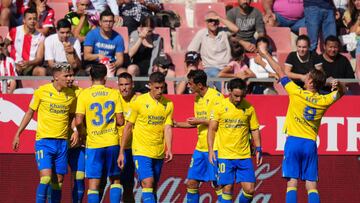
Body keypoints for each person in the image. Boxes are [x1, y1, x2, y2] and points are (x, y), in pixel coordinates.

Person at [258, 43, 346, 203]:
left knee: (292, 183)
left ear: (311, 82)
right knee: (311, 185)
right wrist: (338, 84)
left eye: (308, 77)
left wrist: (265, 54)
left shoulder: (296, 92)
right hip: (310, 144)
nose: (305, 77)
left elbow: (280, 70)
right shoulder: (324, 100)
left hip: (293, 142)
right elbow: (343, 91)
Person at [12, 63, 79, 203]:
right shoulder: (41, 91)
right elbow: (30, 113)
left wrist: (75, 130)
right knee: (46, 178)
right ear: (55, 77)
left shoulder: (71, 95)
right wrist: (18, 134)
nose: (69, 78)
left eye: (70, 75)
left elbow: (71, 117)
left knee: (59, 181)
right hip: (44, 142)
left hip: (62, 143)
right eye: (66, 76)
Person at [118, 72, 174, 203]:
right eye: (156, 88)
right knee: (147, 182)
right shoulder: (139, 102)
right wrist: (121, 152)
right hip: (141, 151)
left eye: (162, 88)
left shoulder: (169, 104)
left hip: (158, 152)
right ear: (150, 86)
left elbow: (167, 127)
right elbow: (128, 127)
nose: (160, 91)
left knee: (152, 188)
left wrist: (169, 148)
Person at [75, 63, 125, 203]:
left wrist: (82, 133)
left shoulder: (84, 94)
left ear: (91, 77)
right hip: (112, 142)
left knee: (93, 185)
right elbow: (120, 121)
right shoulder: (114, 93)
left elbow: (78, 121)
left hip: (94, 144)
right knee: (115, 179)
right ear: (105, 76)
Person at [207, 78, 262, 203]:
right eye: (236, 96)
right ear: (229, 91)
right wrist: (211, 150)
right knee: (227, 187)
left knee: (250, 190)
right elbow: (212, 129)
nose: (238, 99)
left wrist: (258, 148)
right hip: (225, 155)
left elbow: (254, 129)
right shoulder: (219, 107)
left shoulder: (249, 108)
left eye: (241, 96)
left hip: (244, 155)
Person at [173, 70, 224, 203]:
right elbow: (196, 123)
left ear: (200, 85)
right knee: (191, 183)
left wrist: (200, 120)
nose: (188, 86)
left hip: (215, 147)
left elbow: (219, 122)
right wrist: (177, 124)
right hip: (200, 148)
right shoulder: (197, 98)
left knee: (218, 185)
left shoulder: (216, 97)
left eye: (190, 83)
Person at [188, 11, 238, 91]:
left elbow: (236, 29)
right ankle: (222, 93)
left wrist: (219, 17)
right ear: (206, 22)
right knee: (212, 73)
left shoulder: (224, 32)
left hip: (226, 68)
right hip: (210, 68)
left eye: (215, 21)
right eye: (210, 20)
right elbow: (191, 51)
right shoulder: (201, 34)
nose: (213, 23)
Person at [84, 9, 125, 77]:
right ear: (100, 22)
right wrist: (98, 56)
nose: (108, 24)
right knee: (90, 70)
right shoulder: (92, 34)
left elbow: (120, 59)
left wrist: (114, 65)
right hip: (95, 64)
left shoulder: (118, 38)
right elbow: (86, 56)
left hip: (111, 63)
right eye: (105, 21)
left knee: (123, 72)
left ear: (113, 22)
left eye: (110, 21)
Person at [6, 8, 46, 76]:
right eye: (30, 19)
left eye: (34, 19)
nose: (32, 21)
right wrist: (9, 61)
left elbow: (39, 58)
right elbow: (4, 46)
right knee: (15, 69)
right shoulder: (14, 31)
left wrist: (29, 63)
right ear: (24, 20)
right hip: (15, 64)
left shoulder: (41, 36)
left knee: (41, 71)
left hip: (31, 65)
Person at [117, 72, 137, 202]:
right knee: (112, 183)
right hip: (115, 147)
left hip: (133, 149)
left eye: (127, 84)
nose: (124, 88)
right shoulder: (114, 98)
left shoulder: (139, 100)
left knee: (128, 188)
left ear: (132, 85)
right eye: (121, 85)